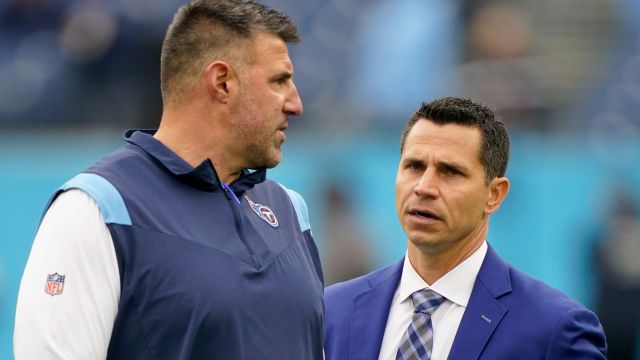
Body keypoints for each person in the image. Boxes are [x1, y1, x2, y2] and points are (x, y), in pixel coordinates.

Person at [14, 1, 324, 359]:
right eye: (279, 81)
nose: (295, 103)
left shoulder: (290, 211)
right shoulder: (96, 210)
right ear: (222, 82)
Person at [324, 97, 607, 359]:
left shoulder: (554, 329)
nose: (424, 187)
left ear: (494, 194)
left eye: (450, 172)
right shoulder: (333, 312)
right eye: (414, 166)